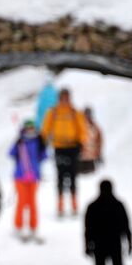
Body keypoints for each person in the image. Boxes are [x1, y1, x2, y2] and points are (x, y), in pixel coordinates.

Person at [40, 88, 88, 217]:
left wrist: (81, 142)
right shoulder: (53, 112)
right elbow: (46, 128)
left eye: (67, 97)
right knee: (61, 176)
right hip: (59, 147)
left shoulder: (74, 112)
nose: (65, 100)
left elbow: (82, 128)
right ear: (59, 98)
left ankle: (74, 204)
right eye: (63, 98)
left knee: (72, 176)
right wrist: (42, 142)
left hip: (73, 147)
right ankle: (60, 205)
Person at [8, 120, 47, 241]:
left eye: (32, 128)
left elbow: (44, 156)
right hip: (20, 177)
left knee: (32, 203)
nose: (30, 130)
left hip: (34, 177)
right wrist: (18, 142)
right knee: (21, 202)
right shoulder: (20, 141)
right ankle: (19, 226)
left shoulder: (38, 141)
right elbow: (11, 153)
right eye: (28, 128)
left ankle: (33, 227)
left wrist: (43, 145)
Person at [78, 107, 103, 175]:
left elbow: (99, 141)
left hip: (91, 157)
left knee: (90, 174)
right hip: (80, 157)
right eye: (86, 115)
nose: (87, 116)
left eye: (88, 115)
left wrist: (99, 153)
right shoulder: (78, 125)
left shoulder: (95, 127)